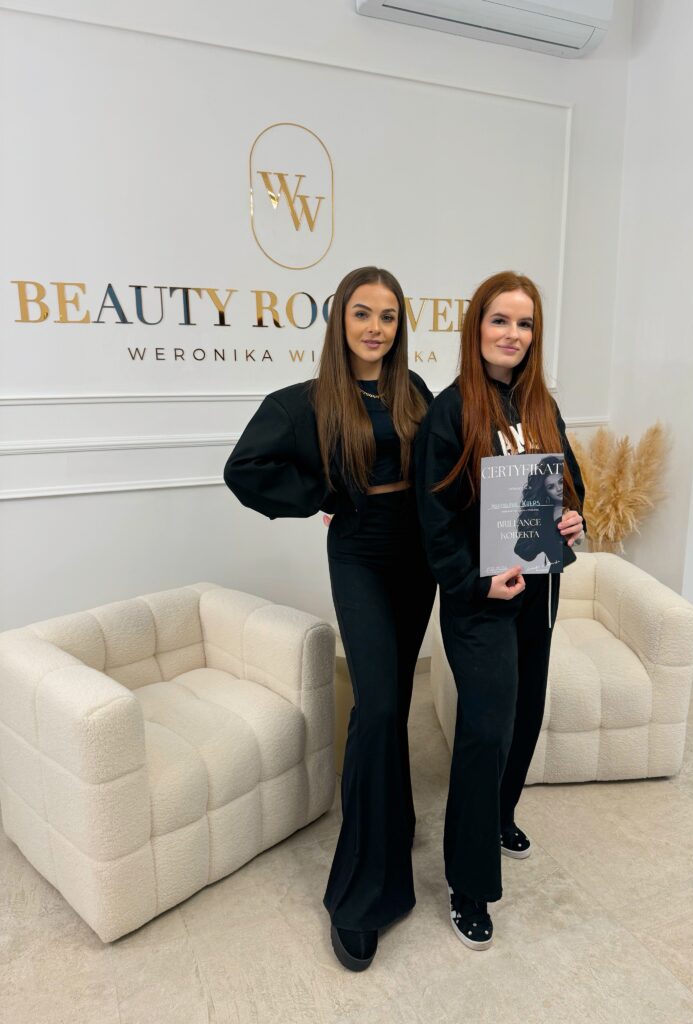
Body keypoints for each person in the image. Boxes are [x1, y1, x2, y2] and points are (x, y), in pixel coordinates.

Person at [223, 266, 435, 972]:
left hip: (418, 559)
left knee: (394, 701)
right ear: (340, 319)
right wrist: (322, 491)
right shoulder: (306, 401)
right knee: (377, 706)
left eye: (388, 316)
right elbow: (244, 469)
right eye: (362, 313)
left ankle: (392, 819)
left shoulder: (414, 391)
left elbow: (446, 464)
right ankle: (360, 896)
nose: (376, 327)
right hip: (361, 556)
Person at [414, 271, 585, 951]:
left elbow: (570, 485)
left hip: (539, 590)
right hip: (481, 600)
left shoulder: (542, 404)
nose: (512, 335)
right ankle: (469, 883)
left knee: (525, 715)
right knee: (485, 729)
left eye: (525, 324)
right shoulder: (450, 411)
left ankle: (499, 814)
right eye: (500, 321)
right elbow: (434, 522)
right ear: (477, 327)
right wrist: (475, 583)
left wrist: (573, 518)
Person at [513, 464, 565, 570]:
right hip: (556, 572)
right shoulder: (544, 518)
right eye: (551, 487)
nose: (559, 489)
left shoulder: (574, 508)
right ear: (546, 492)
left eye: (561, 482)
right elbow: (525, 552)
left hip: (576, 567)